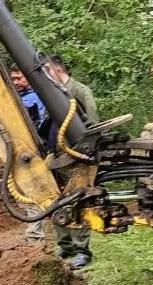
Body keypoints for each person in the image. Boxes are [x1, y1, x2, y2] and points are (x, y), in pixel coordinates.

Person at [43, 55, 98, 270]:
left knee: (77, 202)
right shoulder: (53, 95)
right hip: (58, 156)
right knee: (56, 200)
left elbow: (93, 122)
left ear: (56, 70)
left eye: (47, 71)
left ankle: (81, 250)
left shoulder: (81, 91)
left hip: (78, 157)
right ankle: (65, 244)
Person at [10, 63, 47, 241]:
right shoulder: (23, 96)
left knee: (30, 193)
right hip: (21, 151)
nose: (15, 81)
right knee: (21, 193)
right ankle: (34, 234)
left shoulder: (32, 99)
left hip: (31, 151)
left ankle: (34, 237)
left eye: (19, 78)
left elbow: (30, 125)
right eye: (13, 78)